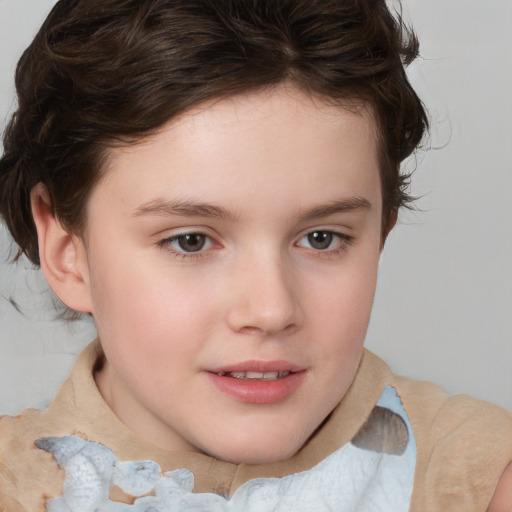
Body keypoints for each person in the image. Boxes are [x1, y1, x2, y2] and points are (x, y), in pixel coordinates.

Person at [0, 0, 510, 510]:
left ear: (379, 236)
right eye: (190, 240)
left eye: (322, 238)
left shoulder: (480, 482)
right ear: (67, 251)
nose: (271, 310)